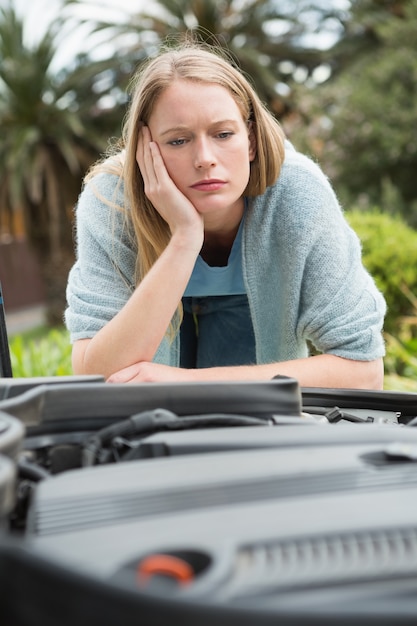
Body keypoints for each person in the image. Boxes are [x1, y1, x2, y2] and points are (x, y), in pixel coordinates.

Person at [65, 41, 386, 389]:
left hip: (245, 305)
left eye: (223, 134)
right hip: (152, 307)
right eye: (178, 140)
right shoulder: (111, 202)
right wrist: (185, 237)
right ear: (146, 147)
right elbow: (95, 377)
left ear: (250, 139)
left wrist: (188, 384)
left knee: (239, 424)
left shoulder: (297, 194)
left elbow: (364, 370)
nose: (204, 158)